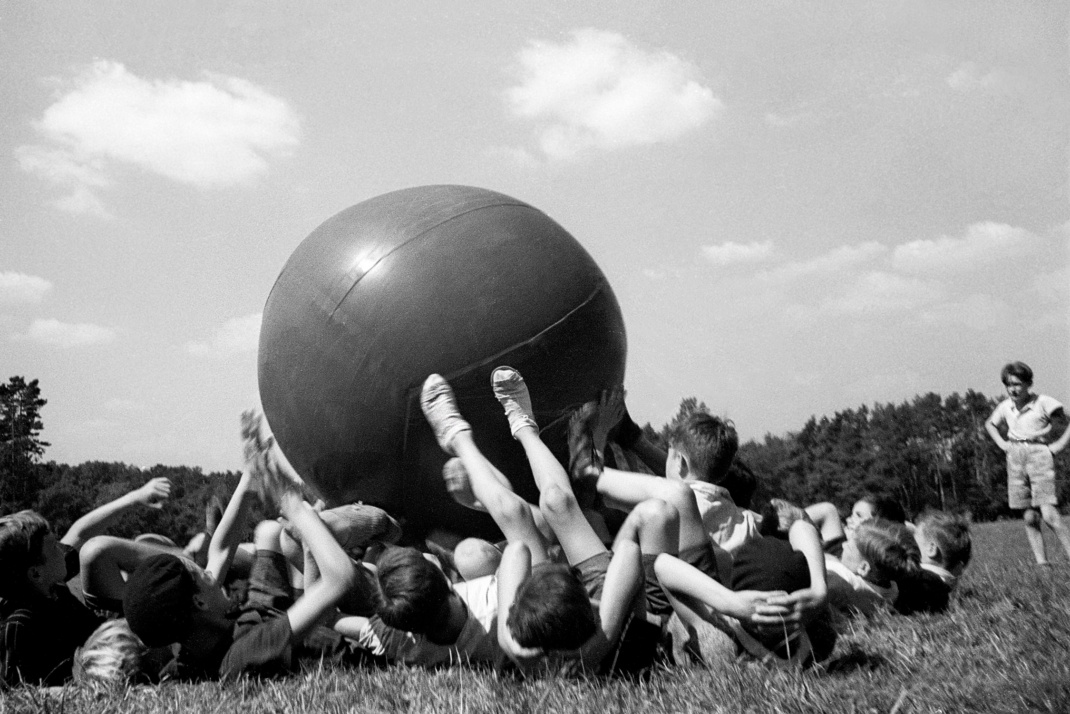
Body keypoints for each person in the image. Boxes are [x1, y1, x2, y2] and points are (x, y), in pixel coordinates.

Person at [121, 411, 381, 680]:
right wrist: (292, 504)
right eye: (203, 573)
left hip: (257, 614)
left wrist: (250, 478)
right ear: (198, 601)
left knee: (267, 531)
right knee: (312, 538)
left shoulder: (190, 647)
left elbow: (221, 550)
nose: (211, 572)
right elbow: (339, 579)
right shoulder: (244, 655)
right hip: (342, 643)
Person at [417, 369, 644, 675]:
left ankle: (457, 437)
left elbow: (516, 552)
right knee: (557, 501)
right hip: (595, 606)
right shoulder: (623, 659)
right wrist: (601, 639)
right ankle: (524, 427)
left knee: (513, 512)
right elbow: (629, 552)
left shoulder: (526, 656)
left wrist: (508, 639)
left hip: (544, 611)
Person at [0, 477, 172, 688]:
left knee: (147, 544)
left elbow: (80, 533)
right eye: (53, 547)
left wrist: (135, 497)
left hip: (111, 634)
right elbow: (15, 691)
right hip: (112, 660)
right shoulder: (19, 626)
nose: (62, 548)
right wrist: (84, 690)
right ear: (35, 573)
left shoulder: (49, 584)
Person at [655, 518, 833, 669]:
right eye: (766, 611)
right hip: (711, 601)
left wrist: (731, 602)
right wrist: (819, 588)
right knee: (719, 556)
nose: (775, 617)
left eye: (784, 609)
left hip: (704, 601)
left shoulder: (724, 645)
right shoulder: (819, 635)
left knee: (718, 555)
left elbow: (663, 565)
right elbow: (802, 526)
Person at [985, 361, 1070, 566]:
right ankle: (1043, 565)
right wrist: (1003, 444)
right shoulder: (1006, 406)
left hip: (1039, 455)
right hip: (1015, 458)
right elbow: (990, 424)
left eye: (1017, 384)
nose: (1012, 389)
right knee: (1030, 516)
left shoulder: (1043, 402)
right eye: (1008, 385)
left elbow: (1066, 419)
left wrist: (1058, 445)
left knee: (1049, 514)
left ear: (1028, 384)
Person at [824, 519, 919, 616]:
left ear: (864, 568)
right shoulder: (892, 590)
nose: (844, 545)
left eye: (849, 547)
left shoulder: (843, 577)